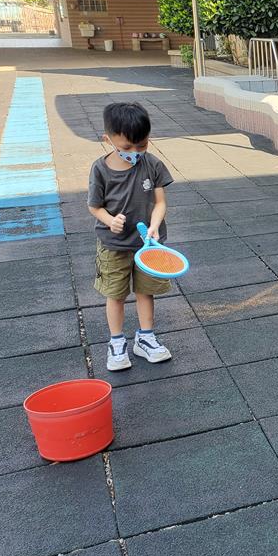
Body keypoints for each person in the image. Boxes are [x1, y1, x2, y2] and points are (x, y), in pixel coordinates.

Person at [87, 102, 175, 372]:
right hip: (114, 245)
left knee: (146, 291)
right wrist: (109, 220)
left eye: (142, 145)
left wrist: (155, 225)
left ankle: (145, 338)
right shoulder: (100, 169)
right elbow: (95, 206)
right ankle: (116, 342)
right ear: (108, 139)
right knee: (115, 294)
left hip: (148, 245)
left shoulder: (152, 164)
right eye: (127, 147)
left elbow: (160, 202)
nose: (135, 153)